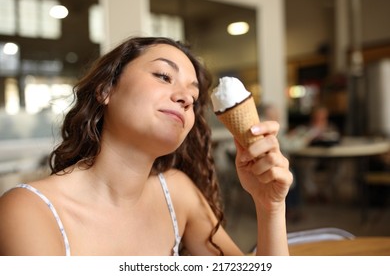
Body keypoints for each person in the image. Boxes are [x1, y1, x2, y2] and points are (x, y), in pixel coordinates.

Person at [0, 37, 293, 256]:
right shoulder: (28, 211)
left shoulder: (177, 193)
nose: (186, 98)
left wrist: (269, 207)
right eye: (164, 76)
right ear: (106, 90)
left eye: (194, 95)